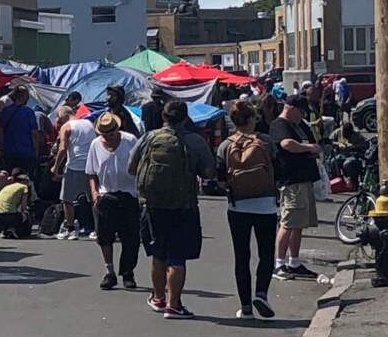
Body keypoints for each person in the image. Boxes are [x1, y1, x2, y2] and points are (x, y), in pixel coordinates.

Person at [129, 101, 215, 319]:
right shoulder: (194, 141)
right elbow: (208, 172)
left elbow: (132, 167)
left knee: (158, 254)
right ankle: (173, 304)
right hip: (183, 206)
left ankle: (158, 297)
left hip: (153, 205)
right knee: (177, 257)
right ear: (185, 118)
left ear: (163, 117)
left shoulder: (149, 138)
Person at [216, 101, 279, 320]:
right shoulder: (266, 142)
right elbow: (278, 168)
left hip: (238, 206)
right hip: (266, 205)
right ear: (252, 119)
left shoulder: (225, 145)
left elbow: (220, 177)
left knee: (241, 256)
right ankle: (261, 293)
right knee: (266, 253)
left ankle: (246, 307)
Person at [269, 95, 322, 280]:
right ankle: (279, 264)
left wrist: (314, 149)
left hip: (304, 179)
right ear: (290, 108)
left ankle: (294, 261)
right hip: (291, 180)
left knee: (299, 223)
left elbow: (312, 140)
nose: (302, 116)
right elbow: (287, 144)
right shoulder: (280, 125)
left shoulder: (300, 125)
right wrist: (308, 148)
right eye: (301, 112)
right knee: (288, 221)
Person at [86, 112, 140, 290]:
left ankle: (127, 273)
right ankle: (109, 272)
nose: (107, 137)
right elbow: (92, 173)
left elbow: (140, 166)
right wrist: (94, 193)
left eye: (110, 134)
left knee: (130, 238)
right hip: (105, 195)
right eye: (104, 134)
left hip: (129, 194)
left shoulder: (130, 140)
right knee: (104, 237)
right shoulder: (95, 145)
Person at [51, 105, 96, 241]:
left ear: (62, 116)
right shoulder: (90, 124)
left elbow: (63, 148)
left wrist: (56, 166)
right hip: (90, 165)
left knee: (67, 199)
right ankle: (96, 229)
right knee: (93, 198)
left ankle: (70, 229)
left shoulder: (67, 127)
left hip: (74, 165)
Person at [0, 85, 41, 177]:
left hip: (9, 153)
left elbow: (0, 131)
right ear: (24, 97)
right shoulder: (29, 112)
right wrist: (36, 152)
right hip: (26, 153)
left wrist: (2, 148)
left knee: (11, 178)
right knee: (26, 179)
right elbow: (34, 134)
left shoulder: (4, 112)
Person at [0, 172, 32, 239]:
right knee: (26, 214)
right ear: (24, 181)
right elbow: (24, 206)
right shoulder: (24, 187)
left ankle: (5, 230)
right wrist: (25, 211)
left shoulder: (8, 187)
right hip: (9, 217)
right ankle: (13, 229)